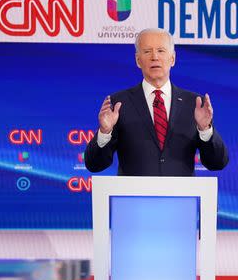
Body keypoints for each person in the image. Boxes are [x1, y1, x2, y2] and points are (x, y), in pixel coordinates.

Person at [84, 28, 229, 176]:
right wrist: (105, 132)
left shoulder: (194, 104)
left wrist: (205, 129)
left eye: (161, 50)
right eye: (147, 51)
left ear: (172, 58)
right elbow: (94, 165)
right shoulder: (119, 104)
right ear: (138, 60)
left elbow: (217, 163)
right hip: (133, 197)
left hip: (181, 197)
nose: (154, 57)